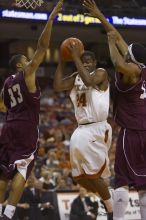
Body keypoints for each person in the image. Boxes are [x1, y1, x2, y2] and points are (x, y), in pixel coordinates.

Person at [83, 0, 146, 219]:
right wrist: (100, 15)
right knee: (143, 182)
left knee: (123, 180)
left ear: (132, 57)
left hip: (134, 131)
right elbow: (119, 37)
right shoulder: (141, 68)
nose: (124, 50)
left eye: (127, 52)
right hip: (143, 130)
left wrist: (110, 44)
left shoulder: (132, 70)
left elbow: (118, 62)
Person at [0, 1, 63, 219]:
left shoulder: (7, 82)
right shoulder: (26, 73)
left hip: (8, 125)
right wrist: (51, 16)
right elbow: (43, 47)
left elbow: (2, 105)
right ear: (20, 65)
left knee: (3, 169)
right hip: (26, 126)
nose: (30, 63)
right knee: (21, 169)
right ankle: (8, 213)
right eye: (26, 61)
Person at [54, 46, 113, 219]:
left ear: (95, 63)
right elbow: (57, 86)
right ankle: (107, 196)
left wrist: (76, 58)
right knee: (79, 177)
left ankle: (110, 210)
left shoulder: (101, 73)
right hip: (80, 129)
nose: (86, 65)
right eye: (83, 62)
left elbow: (88, 81)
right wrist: (62, 61)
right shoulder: (75, 77)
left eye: (89, 62)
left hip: (97, 127)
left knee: (94, 175)